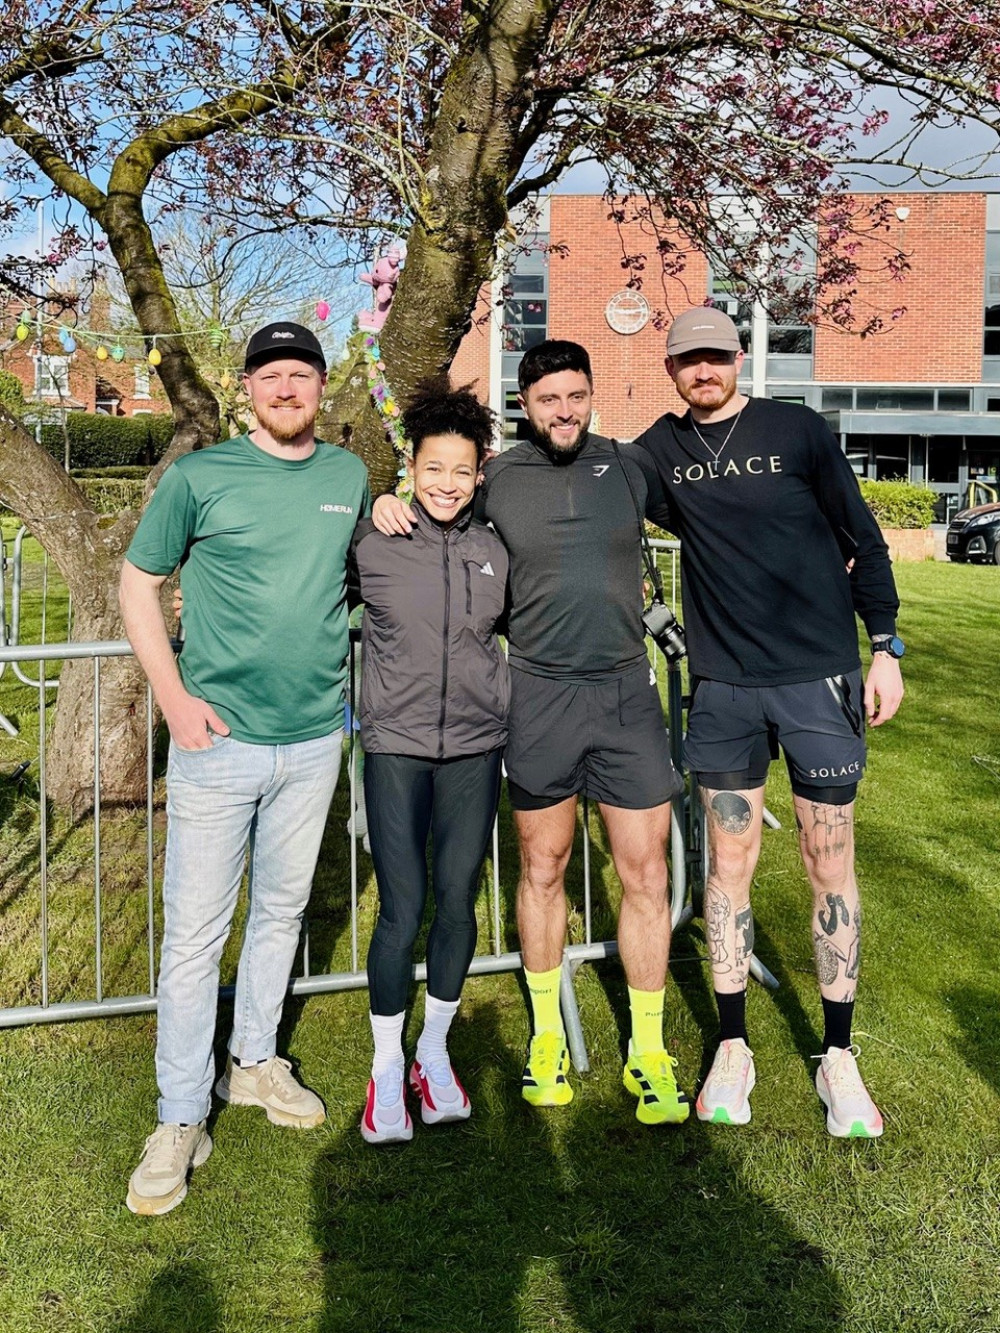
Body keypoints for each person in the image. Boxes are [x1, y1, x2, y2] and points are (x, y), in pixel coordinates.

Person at [374, 341, 689, 1126]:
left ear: (591, 395)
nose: (564, 410)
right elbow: (436, 501)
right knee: (543, 868)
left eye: (576, 395)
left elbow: (718, 524)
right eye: (548, 399)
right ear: (526, 404)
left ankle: (648, 1049)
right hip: (539, 694)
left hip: (625, 695)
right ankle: (547, 1033)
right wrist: (385, 500)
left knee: (645, 872)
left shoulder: (629, 465)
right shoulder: (500, 475)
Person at [634, 306, 904, 1138]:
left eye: (716, 356)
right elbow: (589, 500)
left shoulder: (796, 430)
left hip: (817, 680)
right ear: (672, 368)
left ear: (738, 358)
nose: (704, 371)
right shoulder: (657, 454)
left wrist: (886, 645)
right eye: (689, 361)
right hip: (724, 690)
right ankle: (732, 1044)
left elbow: (865, 537)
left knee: (830, 861)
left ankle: (839, 1056)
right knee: (730, 865)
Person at [119, 322, 369, 1213]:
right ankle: (181, 1113)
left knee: (281, 911)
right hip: (217, 742)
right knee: (194, 935)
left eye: (302, 373)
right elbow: (137, 581)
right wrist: (174, 699)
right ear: (246, 388)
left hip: (313, 739)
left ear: (321, 384)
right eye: (271, 375)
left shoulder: (349, 476)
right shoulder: (200, 475)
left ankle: (255, 1061)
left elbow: (361, 571)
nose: (287, 387)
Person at [352, 382, 509, 1144]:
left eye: (461, 471)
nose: (446, 484)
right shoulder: (372, 539)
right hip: (395, 749)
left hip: (476, 748)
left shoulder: (494, 548)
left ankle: (432, 1052)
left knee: (458, 900)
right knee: (401, 907)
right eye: (432, 468)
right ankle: (385, 1068)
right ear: (409, 467)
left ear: (480, 474)